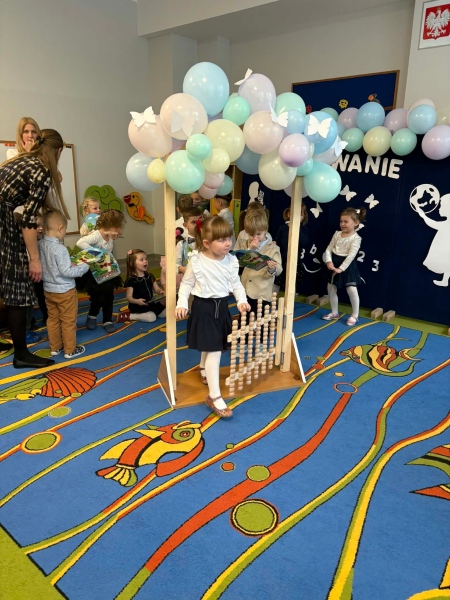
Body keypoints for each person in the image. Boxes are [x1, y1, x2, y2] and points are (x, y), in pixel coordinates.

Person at [0, 128, 69, 369]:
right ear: (58, 151)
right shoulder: (40, 169)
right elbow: (29, 221)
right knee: (18, 287)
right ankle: (21, 354)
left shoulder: (23, 160)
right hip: (2, 219)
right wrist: (34, 259)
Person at [175, 215, 250, 419]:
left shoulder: (231, 261)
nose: (228, 243)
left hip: (222, 307)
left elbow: (236, 284)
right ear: (207, 243)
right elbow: (187, 284)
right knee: (214, 349)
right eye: (222, 240)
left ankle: (202, 368)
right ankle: (214, 396)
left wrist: (241, 300)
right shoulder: (197, 260)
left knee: (213, 345)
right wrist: (182, 304)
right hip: (203, 308)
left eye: (229, 238)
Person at [39, 210, 89, 358]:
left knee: (53, 319)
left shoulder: (40, 244)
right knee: (68, 321)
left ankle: (55, 348)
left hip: (48, 290)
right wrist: (84, 267)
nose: (65, 233)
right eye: (65, 230)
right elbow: (67, 272)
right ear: (60, 228)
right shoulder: (60, 249)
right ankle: (70, 350)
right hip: (65, 291)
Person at [235, 209, 282, 344]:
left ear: (265, 230)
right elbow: (239, 262)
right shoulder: (247, 244)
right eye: (251, 234)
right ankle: (241, 343)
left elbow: (279, 270)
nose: (255, 238)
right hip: (246, 289)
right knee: (244, 318)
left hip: (262, 291)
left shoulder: (273, 249)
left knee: (262, 321)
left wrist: (272, 268)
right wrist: (251, 250)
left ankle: (261, 344)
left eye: (259, 234)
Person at [76, 209, 125, 333]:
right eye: (117, 226)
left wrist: (113, 263)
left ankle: (107, 320)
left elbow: (108, 252)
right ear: (110, 224)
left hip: (107, 270)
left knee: (109, 295)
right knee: (98, 296)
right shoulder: (96, 235)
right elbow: (80, 242)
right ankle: (92, 316)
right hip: (95, 272)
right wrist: (97, 253)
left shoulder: (110, 237)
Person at [322, 207, 366, 326]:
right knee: (331, 288)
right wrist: (329, 262)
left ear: (356, 223)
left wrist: (340, 269)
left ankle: (355, 315)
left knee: (351, 289)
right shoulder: (337, 234)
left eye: (346, 221)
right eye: (341, 221)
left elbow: (351, 256)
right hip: (334, 264)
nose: (342, 224)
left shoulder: (356, 238)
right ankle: (334, 312)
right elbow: (329, 249)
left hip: (347, 266)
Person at [118, 249, 166, 323]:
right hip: (138, 307)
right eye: (141, 260)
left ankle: (153, 312)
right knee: (151, 317)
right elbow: (129, 297)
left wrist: (160, 291)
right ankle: (130, 316)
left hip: (150, 304)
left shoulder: (150, 276)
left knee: (166, 313)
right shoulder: (132, 280)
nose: (145, 261)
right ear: (132, 263)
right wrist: (137, 301)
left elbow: (156, 289)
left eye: (146, 259)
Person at [274, 204, 309, 293]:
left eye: (300, 214)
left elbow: (305, 242)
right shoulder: (283, 228)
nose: (296, 216)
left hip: (295, 262)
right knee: (277, 281)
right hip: (282, 260)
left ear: (303, 217)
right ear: (289, 214)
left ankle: (291, 298)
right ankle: (272, 297)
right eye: (293, 213)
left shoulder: (303, 229)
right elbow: (277, 242)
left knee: (292, 283)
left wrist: (297, 227)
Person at [176, 206, 203, 276]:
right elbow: (176, 264)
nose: (198, 224)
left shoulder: (207, 242)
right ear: (185, 225)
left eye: (200, 222)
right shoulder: (181, 244)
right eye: (193, 222)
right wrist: (184, 269)